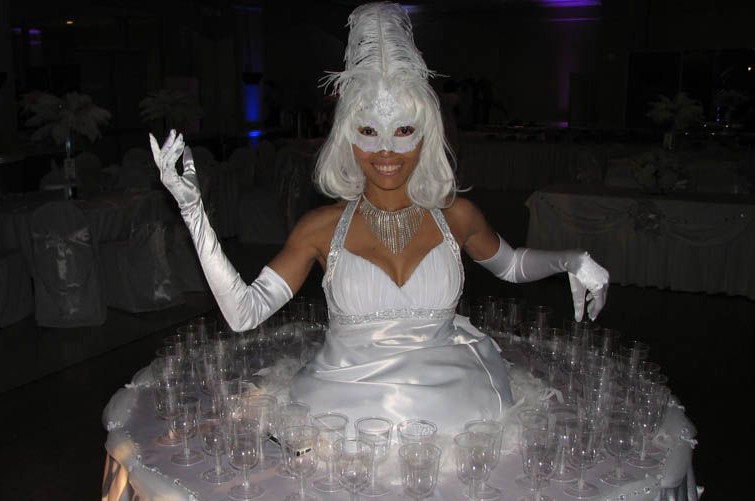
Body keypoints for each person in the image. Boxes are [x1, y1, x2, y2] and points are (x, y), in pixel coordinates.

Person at [149, 3, 608, 434]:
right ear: (347, 139)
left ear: (425, 137)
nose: (385, 150)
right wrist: (192, 209)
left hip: (459, 407)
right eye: (368, 131)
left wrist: (572, 259)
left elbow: (509, 265)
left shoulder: (457, 215)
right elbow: (244, 314)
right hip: (340, 413)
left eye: (404, 131)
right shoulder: (319, 228)